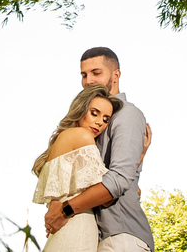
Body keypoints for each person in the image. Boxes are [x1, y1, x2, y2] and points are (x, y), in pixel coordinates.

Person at [43, 47, 155, 252]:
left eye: (96, 73)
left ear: (116, 75)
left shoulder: (127, 114)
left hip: (120, 236)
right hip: (95, 235)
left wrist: (65, 209)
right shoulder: (84, 130)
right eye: (84, 75)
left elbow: (120, 180)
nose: (88, 81)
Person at [32, 85, 125, 252]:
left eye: (106, 119)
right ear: (81, 109)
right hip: (77, 227)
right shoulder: (82, 136)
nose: (99, 122)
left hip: (64, 230)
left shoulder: (62, 140)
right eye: (94, 113)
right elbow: (107, 195)